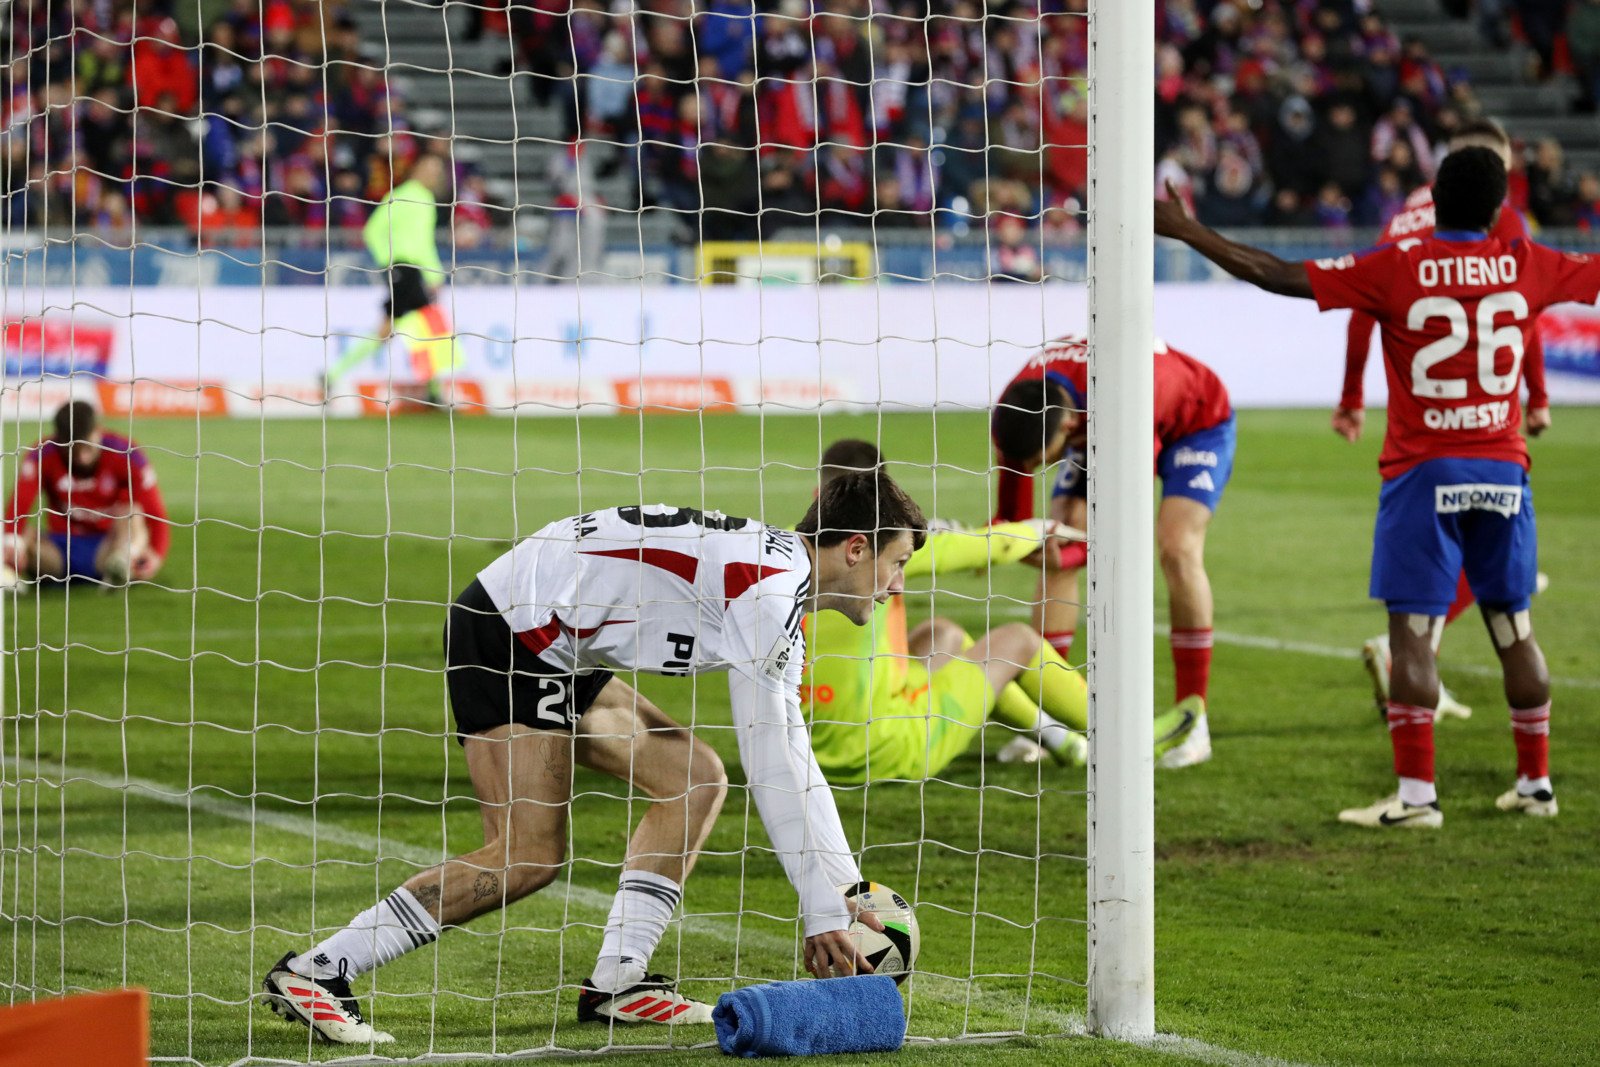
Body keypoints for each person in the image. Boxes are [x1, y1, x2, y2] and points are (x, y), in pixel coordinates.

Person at [261, 472, 925, 1043]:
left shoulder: (777, 574)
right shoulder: (769, 589)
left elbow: (788, 746)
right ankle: (319, 968)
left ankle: (618, 983)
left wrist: (840, 893)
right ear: (856, 547)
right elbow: (773, 750)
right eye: (896, 563)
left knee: (694, 778)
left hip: (552, 634)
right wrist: (823, 909)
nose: (896, 585)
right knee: (526, 855)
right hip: (512, 631)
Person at [1155, 146, 1587, 827]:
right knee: (1513, 624)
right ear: (1500, 208)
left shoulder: (1400, 263)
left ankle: (1417, 799)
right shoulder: (1527, 261)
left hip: (1425, 470)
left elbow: (1275, 273)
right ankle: (1536, 784)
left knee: (1412, 633)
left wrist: (1189, 230)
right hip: (1506, 469)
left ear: (1432, 201)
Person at [801, 440, 1198, 783]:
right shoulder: (878, 544)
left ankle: (1066, 744)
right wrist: (1039, 529)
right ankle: (1133, 739)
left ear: (819, 493)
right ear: (881, 495)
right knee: (1017, 642)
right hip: (886, 752)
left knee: (944, 635)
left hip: (810, 758)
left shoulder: (794, 545)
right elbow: (982, 547)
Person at [1334, 118, 1551, 724]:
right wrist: (1537, 394)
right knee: (1492, 560)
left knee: (1438, 546)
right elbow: (1521, 313)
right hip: (1483, 427)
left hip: (1417, 425)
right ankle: (1527, 775)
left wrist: (1352, 396)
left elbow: (1361, 308)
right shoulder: (1497, 216)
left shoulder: (1405, 212)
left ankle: (1414, 655)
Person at [988, 336, 1232, 769]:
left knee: (1177, 548)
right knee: (1058, 530)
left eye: (1039, 463)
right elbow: (1013, 518)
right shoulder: (1018, 407)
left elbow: (1124, 535)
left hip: (1195, 425)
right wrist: (1009, 543)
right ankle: (1048, 722)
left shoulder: (1128, 402)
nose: (1032, 471)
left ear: (1065, 430)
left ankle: (1194, 720)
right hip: (1102, 418)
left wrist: (1061, 554)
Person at [323, 153, 461, 406]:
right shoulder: (399, 196)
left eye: (437, 171)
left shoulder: (427, 199)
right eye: (429, 168)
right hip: (403, 269)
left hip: (414, 271)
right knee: (425, 326)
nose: (433, 175)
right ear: (416, 169)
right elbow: (373, 231)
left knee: (397, 330)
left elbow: (424, 243)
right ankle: (434, 391)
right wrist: (389, 261)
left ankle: (333, 375)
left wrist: (433, 273)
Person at [1, 401, 169, 587]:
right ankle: (7, 575)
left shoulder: (126, 453)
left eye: (87, 448)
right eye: (73, 450)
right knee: (19, 534)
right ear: (59, 441)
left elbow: (155, 513)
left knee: (133, 512)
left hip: (106, 550)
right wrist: (11, 544)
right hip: (56, 554)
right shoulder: (41, 455)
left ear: (98, 431)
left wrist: (156, 555)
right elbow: (18, 507)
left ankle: (120, 568)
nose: (82, 458)